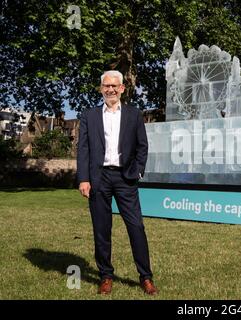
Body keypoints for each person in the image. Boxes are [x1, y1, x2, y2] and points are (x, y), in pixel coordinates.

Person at [77, 70, 158, 295]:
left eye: (114, 86)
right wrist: (83, 178)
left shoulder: (134, 114)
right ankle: (105, 275)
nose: (110, 89)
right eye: (106, 86)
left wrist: (137, 172)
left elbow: (142, 147)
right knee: (102, 229)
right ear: (101, 88)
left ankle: (146, 277)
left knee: (136, 227)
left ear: (122, 88)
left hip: (125, 178)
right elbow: (83, 149)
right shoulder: (89, 115)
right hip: (98, 178)